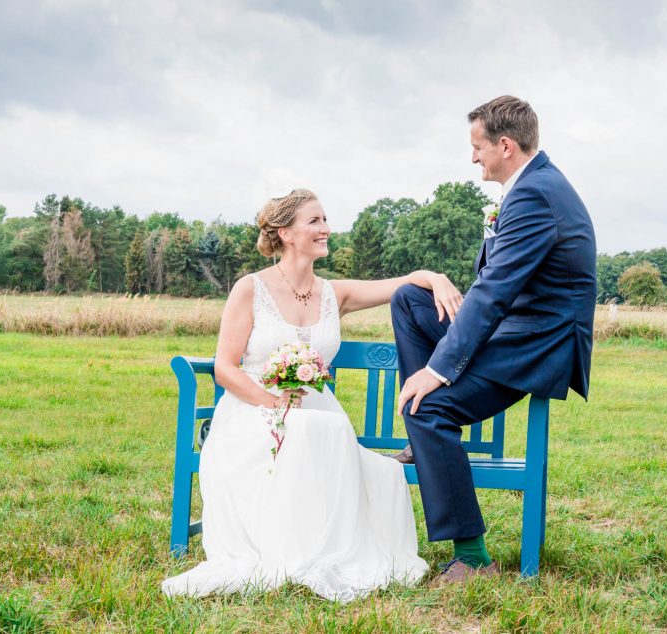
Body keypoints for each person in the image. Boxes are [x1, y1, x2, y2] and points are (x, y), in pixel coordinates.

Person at [162, 188, 462, 602]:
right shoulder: (250, 289)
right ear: (285, 233)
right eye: (315, 221)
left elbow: (397, 285)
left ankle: (326, 546)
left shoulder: (334, 293)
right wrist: (273, 404)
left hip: (317, 410)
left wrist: (433, 276)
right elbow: (225, 368)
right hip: (253, 410)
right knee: (309, 430)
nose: (326, 229)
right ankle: (293, 547)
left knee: (351, 449)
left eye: (325, 220)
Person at [390, 96, 597, 585]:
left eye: (477, 147)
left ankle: (472, 556)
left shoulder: (535, 194)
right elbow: (496, 285)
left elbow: (495, 289)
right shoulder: (533, 186)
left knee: (426, 408)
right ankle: (424, 444)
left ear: (505, 145)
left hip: (535, 345)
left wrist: (438, 371)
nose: (473, 158)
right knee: (409, 300)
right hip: (513, 330)